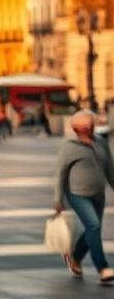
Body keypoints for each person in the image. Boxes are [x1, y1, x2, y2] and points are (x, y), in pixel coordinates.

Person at [53, 110, 114, 284]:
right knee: (93, 225)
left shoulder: (101, 142)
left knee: (92, 230)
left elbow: (110, 168)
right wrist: (58, 199)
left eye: (91, 123)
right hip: (77, 194)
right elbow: (60, 174)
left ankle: (75, 258)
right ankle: (103, 268)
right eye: (87, 124)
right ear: (76, 128)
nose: (90, 126)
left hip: (98, 194)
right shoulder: (69, 147)